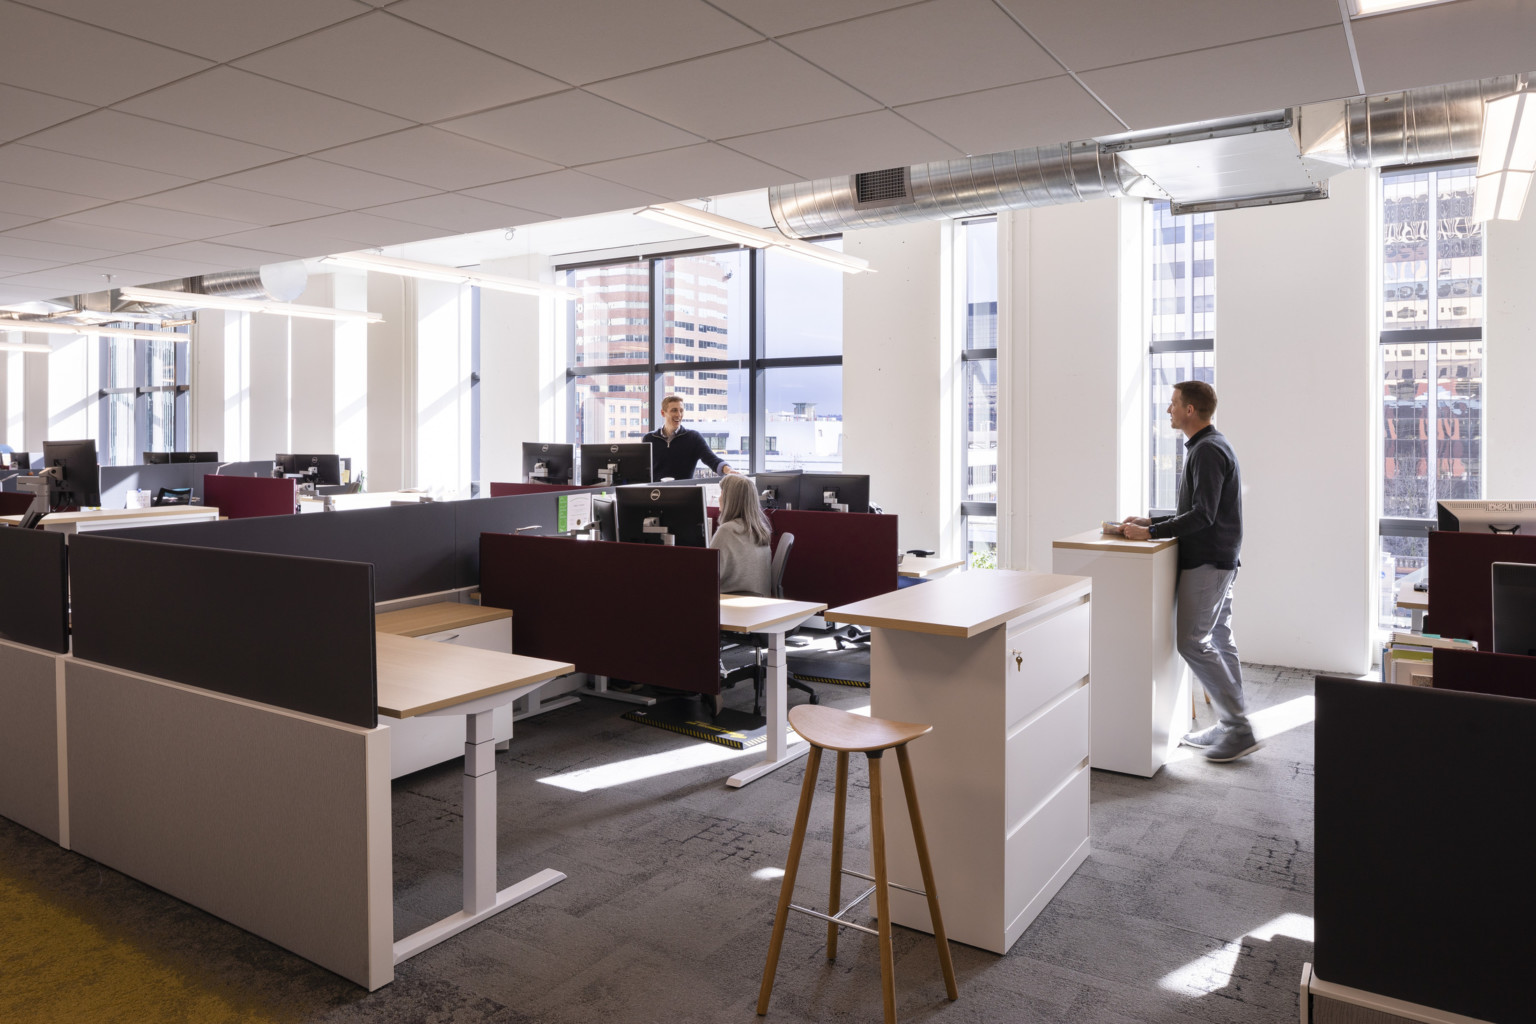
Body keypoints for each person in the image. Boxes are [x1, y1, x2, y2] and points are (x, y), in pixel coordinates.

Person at [1121, 380, 1259, 763]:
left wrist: (1150, 532)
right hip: (1220, 560)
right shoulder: (1210, 446)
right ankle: (1231, 723)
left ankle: (1239, 727)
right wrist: (1152, 518)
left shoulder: (1207, 452)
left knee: (1191, 643)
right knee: (1220, 638)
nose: (1169, 410)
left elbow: (1203, 515)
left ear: (1191, 411)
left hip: (1208, 562)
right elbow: (1198, 507)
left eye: (1173, 405)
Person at [643, 395, 736, 481]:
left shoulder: (693, 438)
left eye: (681, 410)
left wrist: (729, 470)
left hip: (685, 493)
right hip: (656, 494)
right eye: (674, 410)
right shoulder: (649, 438)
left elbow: (712, 460)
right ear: (663, 413)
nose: (679, 414)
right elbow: (642, 470)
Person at [711, 473, 772, 596]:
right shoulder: (760, 530)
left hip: (732, 604)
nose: (719, 498)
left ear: (730, 499)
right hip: (760, 603)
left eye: (722, 493)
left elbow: (708, 576)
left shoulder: (727, 531)